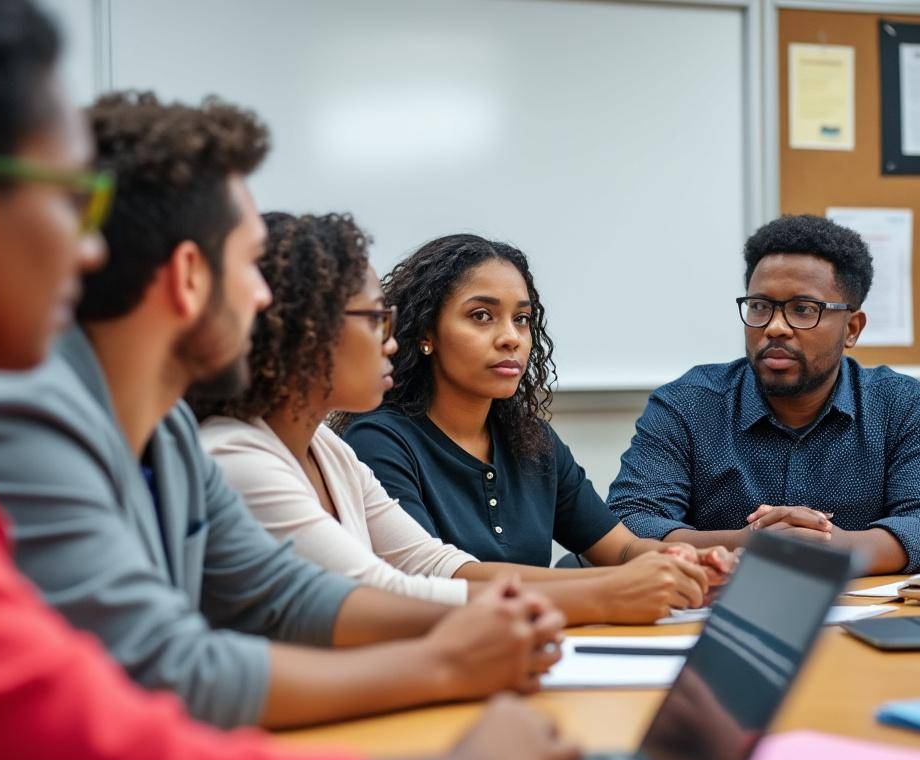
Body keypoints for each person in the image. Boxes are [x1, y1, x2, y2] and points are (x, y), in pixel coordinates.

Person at [0, 2, 577, 760]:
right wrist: (448, 695)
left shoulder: (164, 427)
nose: (92, 251)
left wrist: (467, 634)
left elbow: (279, 593)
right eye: (73, 202)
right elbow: (109, 715)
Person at [0, 91, 566, 730]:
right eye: (251, 265)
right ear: (189, 276)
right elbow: (166, 667)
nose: (265, 299)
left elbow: (288, 594)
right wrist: (445, 665)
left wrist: (493, 621)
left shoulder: (170, 432)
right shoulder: (19, 418)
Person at [192, 213, 729, 624]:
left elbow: (437, 567)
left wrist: (673, 566)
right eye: (375, 318)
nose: (390, 339)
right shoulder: (242, 457)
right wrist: (607, 594)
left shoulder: (329, 452)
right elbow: (387, 592)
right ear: (304, 330)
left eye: (522, 319)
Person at [339, 233, 736, 579]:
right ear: (427, 332)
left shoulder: (531, 440)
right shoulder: (379, 440)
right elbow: (438, 579)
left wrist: (688, 559)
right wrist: (615, 586)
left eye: (522, 319)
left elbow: (622, 549)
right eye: (482, 316)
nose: (511, 338)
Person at [607, 214, 920, 575]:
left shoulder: (899, 404)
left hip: (860, 605)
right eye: (760, 306)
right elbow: (628, 520)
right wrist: (749, 543)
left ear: (852, 329)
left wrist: (835, 547)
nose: (775, 327)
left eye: (803, 309)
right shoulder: (687, 404)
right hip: (717, 603)